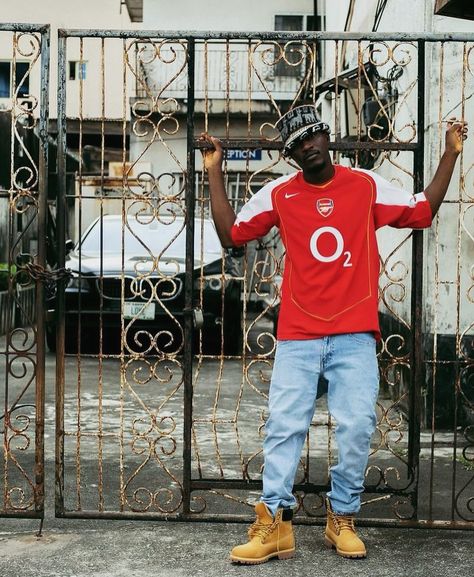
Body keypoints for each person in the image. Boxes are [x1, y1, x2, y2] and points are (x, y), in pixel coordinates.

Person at [200, 105, 468, 564]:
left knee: (359, 427)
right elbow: (231, 236)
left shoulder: (364, 186)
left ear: (327, 136)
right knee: (284, 427)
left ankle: (341, 516)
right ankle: (274, 525)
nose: (309, 145)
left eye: (314, 135)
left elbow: (421, 211)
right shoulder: (279, 194)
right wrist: (214, 171)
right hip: (299, 333)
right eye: (298, 143)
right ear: (291, 154)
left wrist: (450, 154)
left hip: (354, 334)